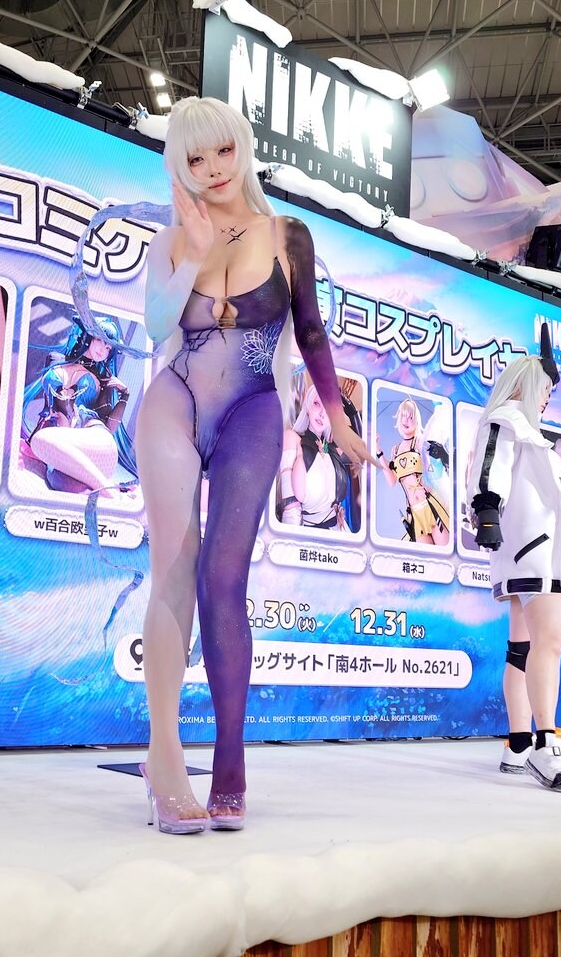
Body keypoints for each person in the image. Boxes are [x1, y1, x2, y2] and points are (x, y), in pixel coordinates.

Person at [136, 95, 377, 834]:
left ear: (242, 147)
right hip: (174, 402)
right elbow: (154, 327)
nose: (212, 168)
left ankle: (230, 761)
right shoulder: (170, 239)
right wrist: (192, 250)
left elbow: (311, 331)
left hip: (253, 410)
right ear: (179, 166)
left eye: (222, 150)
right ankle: (164, 758)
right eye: (194, 157)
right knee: (174, 567)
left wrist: (338, 419)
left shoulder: (286, 234)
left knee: (223, 580)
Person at [466, 325, 561, 791]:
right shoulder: (508, 421)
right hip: (533, 555)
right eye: (545, 391)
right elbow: (490, 466)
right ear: (527, 383)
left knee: (522, 648)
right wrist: (486, 509)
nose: (546, 401)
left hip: (535, 553)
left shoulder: (528, 434)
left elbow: (550, 494)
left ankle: (518, 741)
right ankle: (546, 744)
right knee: (551, 640)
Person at [21, 314, 136, 496]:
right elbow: (50, 404)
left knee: (41, 441)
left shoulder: (103, 379)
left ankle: (111, 493)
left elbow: (109, 428)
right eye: (100, 340)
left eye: (108, 347)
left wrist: (125, 395)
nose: (103, 349)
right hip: (62, 443)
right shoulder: (55, 359)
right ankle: (113, 496)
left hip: (96, 441)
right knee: (56, 478)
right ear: (89, 336)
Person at [278, 384, 357, 531]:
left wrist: (353, 414)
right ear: (308, 406)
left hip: (339, 531)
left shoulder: (333, 450)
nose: (322, 414)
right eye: (316, 404)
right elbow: (291, 513)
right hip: (308, 536)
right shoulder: (292, 439)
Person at [377, 397, 450, 544]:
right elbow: (391, 481)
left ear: (416, 421)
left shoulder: (420, 442)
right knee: (426, 557)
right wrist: (378, 452)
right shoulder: (395, 450)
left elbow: (438, 461)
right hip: (414, 513)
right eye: (404, 416)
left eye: (411, 417)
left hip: (430, 505)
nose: (406, 420)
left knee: (444, 552)